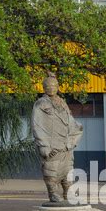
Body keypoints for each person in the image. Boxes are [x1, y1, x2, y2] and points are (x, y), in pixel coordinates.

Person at [31, 72, 83, 202]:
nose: (51, 88)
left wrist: (75, 131)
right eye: (48, 86)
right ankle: (52, 193)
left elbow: (69, 120)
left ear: (58, 87)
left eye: (54, 86)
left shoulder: (62, 102)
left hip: (65, 143)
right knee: (51, 169)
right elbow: (37, 125)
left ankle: (68, 192)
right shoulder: (40, 104)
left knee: (67, 169)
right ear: (44, 88)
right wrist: (44, 145)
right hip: (52, 144)